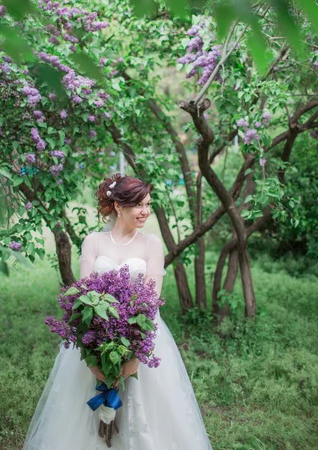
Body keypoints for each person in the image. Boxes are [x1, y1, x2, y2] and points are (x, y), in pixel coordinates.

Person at [23, 174, 213, 450]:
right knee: (89, 410)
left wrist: (135, 354)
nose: (145, 211)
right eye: (138, 205)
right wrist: (90, 356)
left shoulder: (152, 245)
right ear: (118, 206)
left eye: (147, 204)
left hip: (141, 335)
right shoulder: (93, 242)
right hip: (95, 335)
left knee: (141, 409)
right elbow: (84, 298)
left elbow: (151, 300)